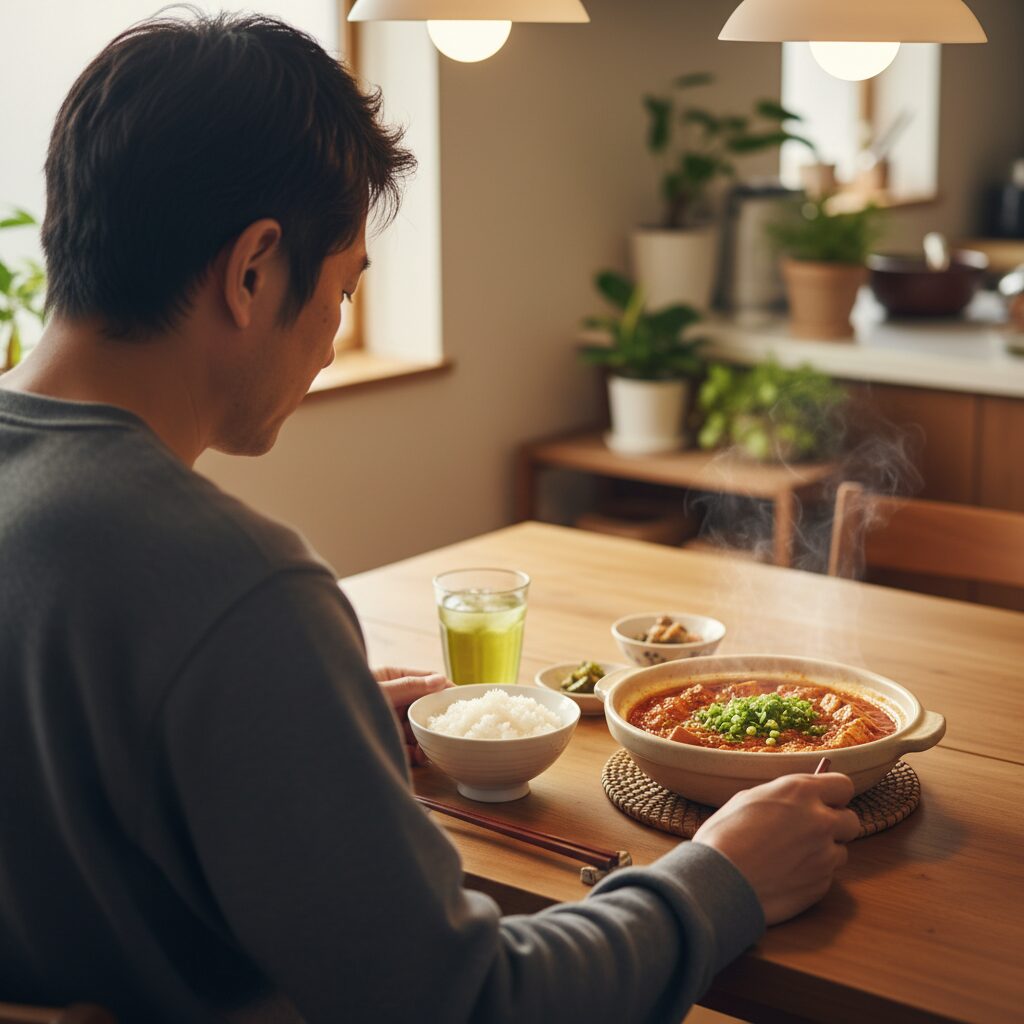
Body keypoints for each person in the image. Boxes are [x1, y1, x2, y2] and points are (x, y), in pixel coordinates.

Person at [0, 12, 860, 1023]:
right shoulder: (237, 584)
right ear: (252, 271)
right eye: (344, 287)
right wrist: (722, 878)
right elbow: (469, 1002)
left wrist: (301, 720)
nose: (330, 340)